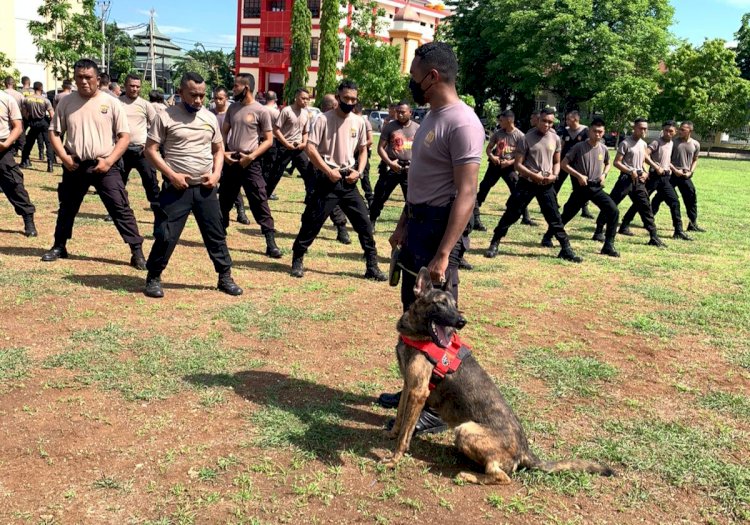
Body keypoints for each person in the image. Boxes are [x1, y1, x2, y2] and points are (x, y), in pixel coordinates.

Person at [377, 42, 485, 434]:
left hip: (441, 230)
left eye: (415, 74)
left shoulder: (463, 122)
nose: (412, 82)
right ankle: (414, 388)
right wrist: (405, 221)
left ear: (433, 76)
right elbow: (420, 180)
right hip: (419, 225)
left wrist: (443, 254)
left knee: (439, 320)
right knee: (415, 313)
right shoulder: (431, 117)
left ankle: (436, 407)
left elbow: (467, 194)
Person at [142, 72, 242, 298]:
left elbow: (218, 149)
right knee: (166, 235)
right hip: (177, 189)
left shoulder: (209, 118)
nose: (198, 100)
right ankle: (154, 277)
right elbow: (150, 150)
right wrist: (171, 174)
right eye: (193, 95)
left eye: (202, 95)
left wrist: (216, 174)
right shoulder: (165, 117)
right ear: (180, 93)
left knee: (215, 234)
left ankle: (225, 276)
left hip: (206, 188)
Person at [43, 58, 146, 269]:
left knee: (120, 208)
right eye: (79, 77)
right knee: (67, 208)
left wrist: (109, 161)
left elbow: (124, 136)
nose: (83, 82)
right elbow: (54, 132)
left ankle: (137, 252)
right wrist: (64, 157)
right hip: (75, 165)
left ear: (97, 79)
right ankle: (59, 246)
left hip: (104, 166)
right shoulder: (65, 102)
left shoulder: (112, 103)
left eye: (88, 77)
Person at [290, 79, 387, 281]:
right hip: (327, 179)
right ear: (337, 97)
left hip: (349, 179)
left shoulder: (359, 122)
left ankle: (372, 265)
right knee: (312, 222)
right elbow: (310, 148)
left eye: (353, 99)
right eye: (346, 98)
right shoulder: (323, 120)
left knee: (364, 225)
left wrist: (359, 172)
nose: (350, 102)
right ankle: (298, 257)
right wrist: (328, 171)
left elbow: (363, 150)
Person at [485, 107, 583, 262]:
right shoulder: (526, 138)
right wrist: (533, 175)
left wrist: (554, 175)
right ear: (538, 120)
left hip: (546, 184)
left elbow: (557, 162)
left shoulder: (555, 138)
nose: (547, 124)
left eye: (550, 122)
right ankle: (494, 242)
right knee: (512, 213)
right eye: (544, 121)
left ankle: (566, 248)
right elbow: (518, 165)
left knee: (554, 217)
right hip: (527, 183)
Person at [220, 73, 282, 258]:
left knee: (259, 200)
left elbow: (269, 140)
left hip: (251, 162)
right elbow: (223, 134)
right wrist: (224, 153)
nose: (233, 89)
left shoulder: (261, 111)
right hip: (232, 161)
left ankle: (270, 243)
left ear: (246, 87)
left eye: (236, 86)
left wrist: (251, 156)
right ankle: (219, 237)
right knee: (224, 200)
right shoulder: (232, 109)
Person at [540, 118, 620, 256]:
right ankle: (548, 236)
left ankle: (608, 245)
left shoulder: (603, 148)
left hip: (596, 188)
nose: (597, 134)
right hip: (581, 188)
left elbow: (608, 163)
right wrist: (578, 175)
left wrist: (604, 175)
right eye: (595, 131)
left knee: (613, 211)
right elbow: (564, 164)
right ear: (589, 131)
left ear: (604, 132)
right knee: (566, 215)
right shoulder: (579, 147)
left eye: (600, 132)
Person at [592, 118, 667, 247]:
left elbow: (642, 161)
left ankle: (653, 236)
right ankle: (598, 231)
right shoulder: (625, 143)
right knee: (611, 205)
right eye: (641, 128)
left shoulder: (643, 144)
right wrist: (629, 171)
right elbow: (617, 162)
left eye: (645, 128)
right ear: (634, 128)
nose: (643, 131)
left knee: (645, 207)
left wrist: (645, 172)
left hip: (638, 181)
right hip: (625, 180)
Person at [618, 121, 692, 240]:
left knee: (674, 202)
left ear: (675, 132)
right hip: (654, 177)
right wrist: (656, 166)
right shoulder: (656, 142)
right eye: (666, 130)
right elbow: (645, 155)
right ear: (663, 130)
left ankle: (678, 230)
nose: (668, 133)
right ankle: (624, 225)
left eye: (671, 131)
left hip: (665, 178)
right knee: (640, 202)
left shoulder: (672, 143)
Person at [472, 110, 531, 232]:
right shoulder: (498, 133)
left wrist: (510, 162)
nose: (500, 122)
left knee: (517, 189)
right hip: (495, 165)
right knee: (484, 187)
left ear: (509, 120)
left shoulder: (520, 136)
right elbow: (489, 149)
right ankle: (474, 214)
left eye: (501, 120)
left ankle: (525, 217)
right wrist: (492, 157)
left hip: (509, 167)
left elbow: (523, 155)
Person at [305, 94, 352, 245]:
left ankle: (341, 228)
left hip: (333, 168)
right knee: (315, 199)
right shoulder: (321, 120)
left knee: (332, 199)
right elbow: (312, 147)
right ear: (332, 106)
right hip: (318, 167)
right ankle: (308, 226)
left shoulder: (341, 120)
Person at [369, 100, 419, 226]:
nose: (400, 115)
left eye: (402, 112)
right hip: (391, 167)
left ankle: (410, 225)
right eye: (398, 112)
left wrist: (413, 165)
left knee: (412, 199)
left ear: (410, 112)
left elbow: (421, 150)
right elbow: (380, 148)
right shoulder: (390, 127)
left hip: (409, 169)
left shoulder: (418, 128)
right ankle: (372, 220)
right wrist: (390, 164)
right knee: (380, 196)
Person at [651, 121, 704, 232]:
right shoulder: (673, 142)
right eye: (679, 129)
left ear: (690, 131)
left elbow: (695, 160)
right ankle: (649, 219)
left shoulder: (695, 144)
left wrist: (690, 172)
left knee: (691, 198)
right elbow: (667, 159)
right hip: (672, 175)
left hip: (685, 175)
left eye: (683, 129)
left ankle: (692, 224)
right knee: (660, 196)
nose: (680, 131)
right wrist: (675, 170)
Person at [119, 74, 160, 208]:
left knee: (151, 181)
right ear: (125, 86)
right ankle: (118, 209)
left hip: (142, 151)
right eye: (132, 86)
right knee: (118, 183)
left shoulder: (145, 104)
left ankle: (157, 208)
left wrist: (149, 145)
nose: (135, 89)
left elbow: (156, 126)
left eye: (137, 86)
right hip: (122, 151)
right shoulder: (117, 103)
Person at [211, 86, 250, 225]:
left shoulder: (233, 112)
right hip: (214, 151)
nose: (217, 101)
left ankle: (241, 211)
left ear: (226, 98)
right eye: (215, 98)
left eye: (220, 98)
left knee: (233, 184)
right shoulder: (211, 114)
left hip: (229, 151)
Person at [0, 88, 37, 236]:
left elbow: (18, 127)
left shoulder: (7, 99)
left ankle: (28, 219)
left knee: (14, 184)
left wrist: (6, 144)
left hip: (2, 148)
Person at [266, 88, 310, 198]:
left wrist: (304, 143)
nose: (305, 101)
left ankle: (311, 197)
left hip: (299, 148)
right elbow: (276, 129)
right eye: (303, 98)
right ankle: (264, 196)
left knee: (308, 173)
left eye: (307, 99)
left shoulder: (305, 113)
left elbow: (305, 132)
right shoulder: (286, 111)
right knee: (275, 173)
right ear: (296, 98)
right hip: (284, 147)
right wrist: (286, 144)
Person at [556, 110, 593, 219]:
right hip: (564, 162)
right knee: (556, 184)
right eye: (566, 119)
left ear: (576, 120)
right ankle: (552, 204)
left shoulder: (585, 131)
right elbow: (561, 145)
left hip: (577, 164)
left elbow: (588, 147)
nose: (566, 121)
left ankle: (584, 209)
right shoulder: (565, 131)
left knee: (579, 187)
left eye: (568, 119)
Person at [20, 82, 54, 172]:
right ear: (41, 88)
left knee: (29, 142)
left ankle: (24, 161)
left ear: (33, 88)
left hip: (33, 122)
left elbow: (24, 112)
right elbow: (52, 114)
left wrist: (29, 118)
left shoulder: (27, 99)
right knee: (48, 143)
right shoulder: (45, 100)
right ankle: (50, 165)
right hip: (43, 122)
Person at [352, 103, 374, 208]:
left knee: (364, 179)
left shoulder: (364, 121)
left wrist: (359, 147)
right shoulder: (352, 120)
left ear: (355, 109)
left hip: (361, 154)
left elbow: (370, 140)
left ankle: (370, 200)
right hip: (351, 154)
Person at [262, 91, 280, 200]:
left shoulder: (261, 109)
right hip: (272, 140)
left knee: (261, 166)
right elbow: (279, 127)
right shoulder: (275, 112)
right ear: (275, 100)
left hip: (260, 140)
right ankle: (265, 190)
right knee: (269, 167)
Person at [3, 77, 26, 155]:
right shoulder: (19, 94)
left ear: (5, 84)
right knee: (20, 135)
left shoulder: (3, 93)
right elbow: (24, 107)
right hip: (17, 117)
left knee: (7, 135)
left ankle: (10, 150)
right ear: (13, 84)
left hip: (5, 119)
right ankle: (21, 152)